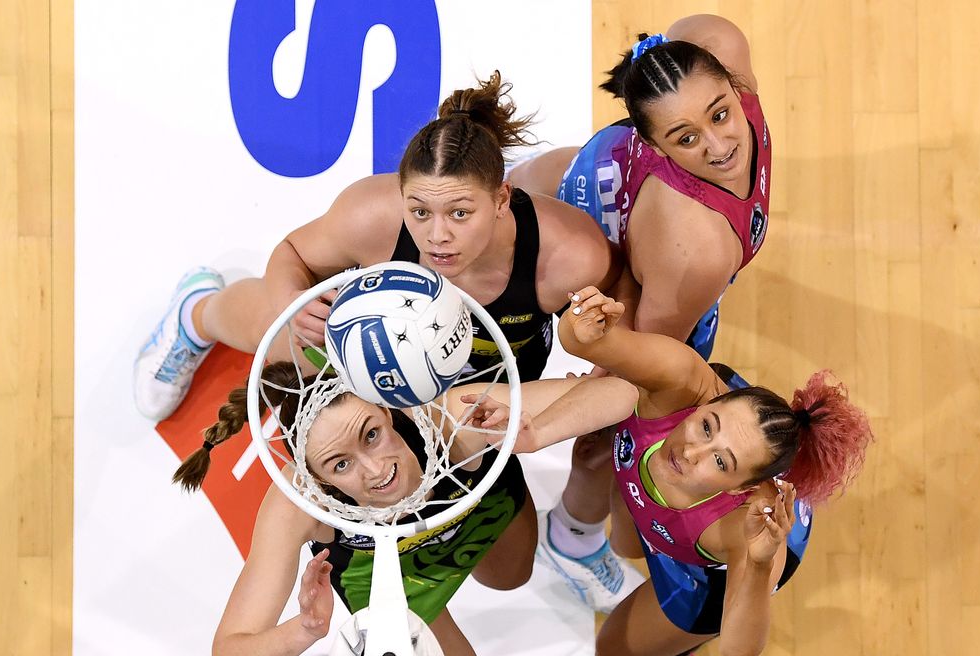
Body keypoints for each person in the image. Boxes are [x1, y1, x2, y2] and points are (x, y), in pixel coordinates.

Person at [134, 71, 619, 419]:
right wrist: (289, 305)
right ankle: (196, 312)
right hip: (378, 338)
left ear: (500, 199)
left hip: (488, 379)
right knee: (288, 336)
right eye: (420, 211)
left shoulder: (569, 254)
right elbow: (294, 254)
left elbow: (618, 337)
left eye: (459, 213)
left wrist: (595, 361)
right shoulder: (374, 213)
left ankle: (572, 535)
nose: (437, 235)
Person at [508, 14, 774, 614]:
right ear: (654, 144)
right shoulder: (697, 253)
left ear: (731, 81)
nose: (720, 145)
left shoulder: (720, 41)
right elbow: (633, 375)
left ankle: (496, 191)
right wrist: (550, 421)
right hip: (618, 255)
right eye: (685, 138)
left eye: (720, 112)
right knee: (621, 423)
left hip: (589, 172)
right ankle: (572, 537)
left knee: (519, 192)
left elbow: (665, 62)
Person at [172, 364, 639, 656]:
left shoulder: (448, 416)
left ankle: (566, 543)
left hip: (475, 514)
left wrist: (542, 431)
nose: (375, 470)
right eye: (340, 464)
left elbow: (622, 390)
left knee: (512, 577)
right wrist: (305, 629)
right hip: (391, 583)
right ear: (313, 477)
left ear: (383, 410)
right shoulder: (297, 503)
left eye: (371, 435)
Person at [558, 285, 871, 656]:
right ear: (708, 402)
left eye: (721, 462)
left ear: (743, 487)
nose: (690, 452)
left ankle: (681, 644)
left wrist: (757, 566)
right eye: (706, 427)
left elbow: (740, 651)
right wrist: (587, 321)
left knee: (610, 655)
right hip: (677, 511)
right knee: (626, 545)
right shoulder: (682, 380)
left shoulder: (752, 525)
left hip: (706, 579)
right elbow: (585, 340)